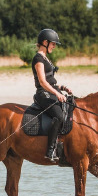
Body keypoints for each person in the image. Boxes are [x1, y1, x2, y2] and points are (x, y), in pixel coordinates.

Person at [32, 29, 72, 161]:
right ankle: (50, 150)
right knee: (59, 115)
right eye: (53, 44)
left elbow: (50, 81)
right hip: (43, 94)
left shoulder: (45, 58)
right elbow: (42, 82)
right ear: (45, 42)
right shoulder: (38, 59)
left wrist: (61, 88)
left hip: (51, 91)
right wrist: (57, 93)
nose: (54, 46)